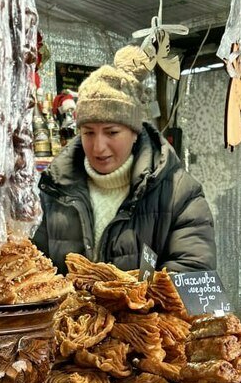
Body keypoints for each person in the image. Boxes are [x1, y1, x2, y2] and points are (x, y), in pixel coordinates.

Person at [33, 45, 216, 273]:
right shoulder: (55, 189)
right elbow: (36, 269)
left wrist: (128, 301)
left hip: (145, 310)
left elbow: (192, 271)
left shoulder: (179, 193)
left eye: (112, 132)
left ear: (134, 131)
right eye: (88, 132)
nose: (99, 147)